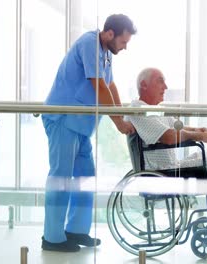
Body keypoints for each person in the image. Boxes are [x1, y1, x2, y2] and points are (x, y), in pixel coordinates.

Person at [126, 67, 207, 242]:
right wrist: (199, 136)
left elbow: (176, 127)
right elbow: (168, 136)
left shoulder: (153, 109)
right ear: (143, 85)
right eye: (160, 81)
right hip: (159, 174)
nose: (165, 87)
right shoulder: (139, 109)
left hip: (169, 169)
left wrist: (199, 130)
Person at [41, 14, 137, 252]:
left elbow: (111, 85)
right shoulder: (89, 43)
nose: (125, 48)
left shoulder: (105, 53)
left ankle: (75, 230)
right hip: (63, 119)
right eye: (124, 42)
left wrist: (122, 117)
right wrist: (117, 122)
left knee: (86, 178)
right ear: (110, 33)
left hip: (82, 124)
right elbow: (99, 86)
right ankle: (52, 238)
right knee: (61, 179)